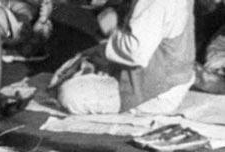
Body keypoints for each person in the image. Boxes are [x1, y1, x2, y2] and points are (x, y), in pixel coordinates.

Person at [52, 0, 195, 115]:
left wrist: (111, 29)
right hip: (166, 79)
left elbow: (137, 52)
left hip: (155, 93)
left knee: (69, 94)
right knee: (85, 58)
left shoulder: (154, 3)